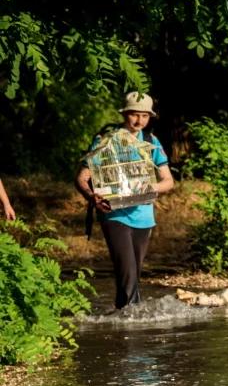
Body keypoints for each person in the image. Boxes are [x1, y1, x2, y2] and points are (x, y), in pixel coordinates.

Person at [74, 92, 174, 309]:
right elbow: (82, 178)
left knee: (132, 277)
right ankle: (131, 324)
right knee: (128, 273)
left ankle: (124, 325)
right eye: (134, 115)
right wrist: (92, 198)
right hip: (114, 214)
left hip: (144, 217)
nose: (139, 121)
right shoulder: (105, 140)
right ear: (125, 114)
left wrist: (147, 188)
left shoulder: (151, 142)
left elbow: (168, 181)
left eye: (145, 116)